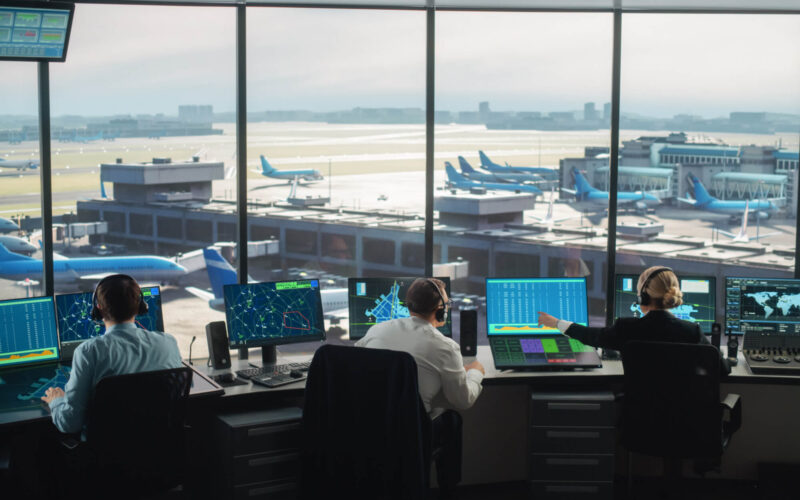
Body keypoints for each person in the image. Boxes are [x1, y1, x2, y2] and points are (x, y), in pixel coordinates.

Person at [355, 277, 485, 496]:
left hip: (367, 426)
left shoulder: (377, 330)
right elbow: (464, 400)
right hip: (408, 434)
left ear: (409, 305)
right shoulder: (444, 346)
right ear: (440, 310)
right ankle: (447, 489)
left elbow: (357, 360)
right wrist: (475, 372)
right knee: (452, 419)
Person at [41, 274, 183, 434]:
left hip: (108, 453)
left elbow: (69, 424)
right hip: (161, 445)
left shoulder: (89, 352)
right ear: (140, 306)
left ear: (98, 308)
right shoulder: (168, 342)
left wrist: (56, 400)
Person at [538, 266, 730, 375]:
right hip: (687, 428)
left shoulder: (626, 328)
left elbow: (591, 336)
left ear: (643, 298)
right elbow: (722, 370)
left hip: (641, 426)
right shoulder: (692, 332)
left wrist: (556, 323)